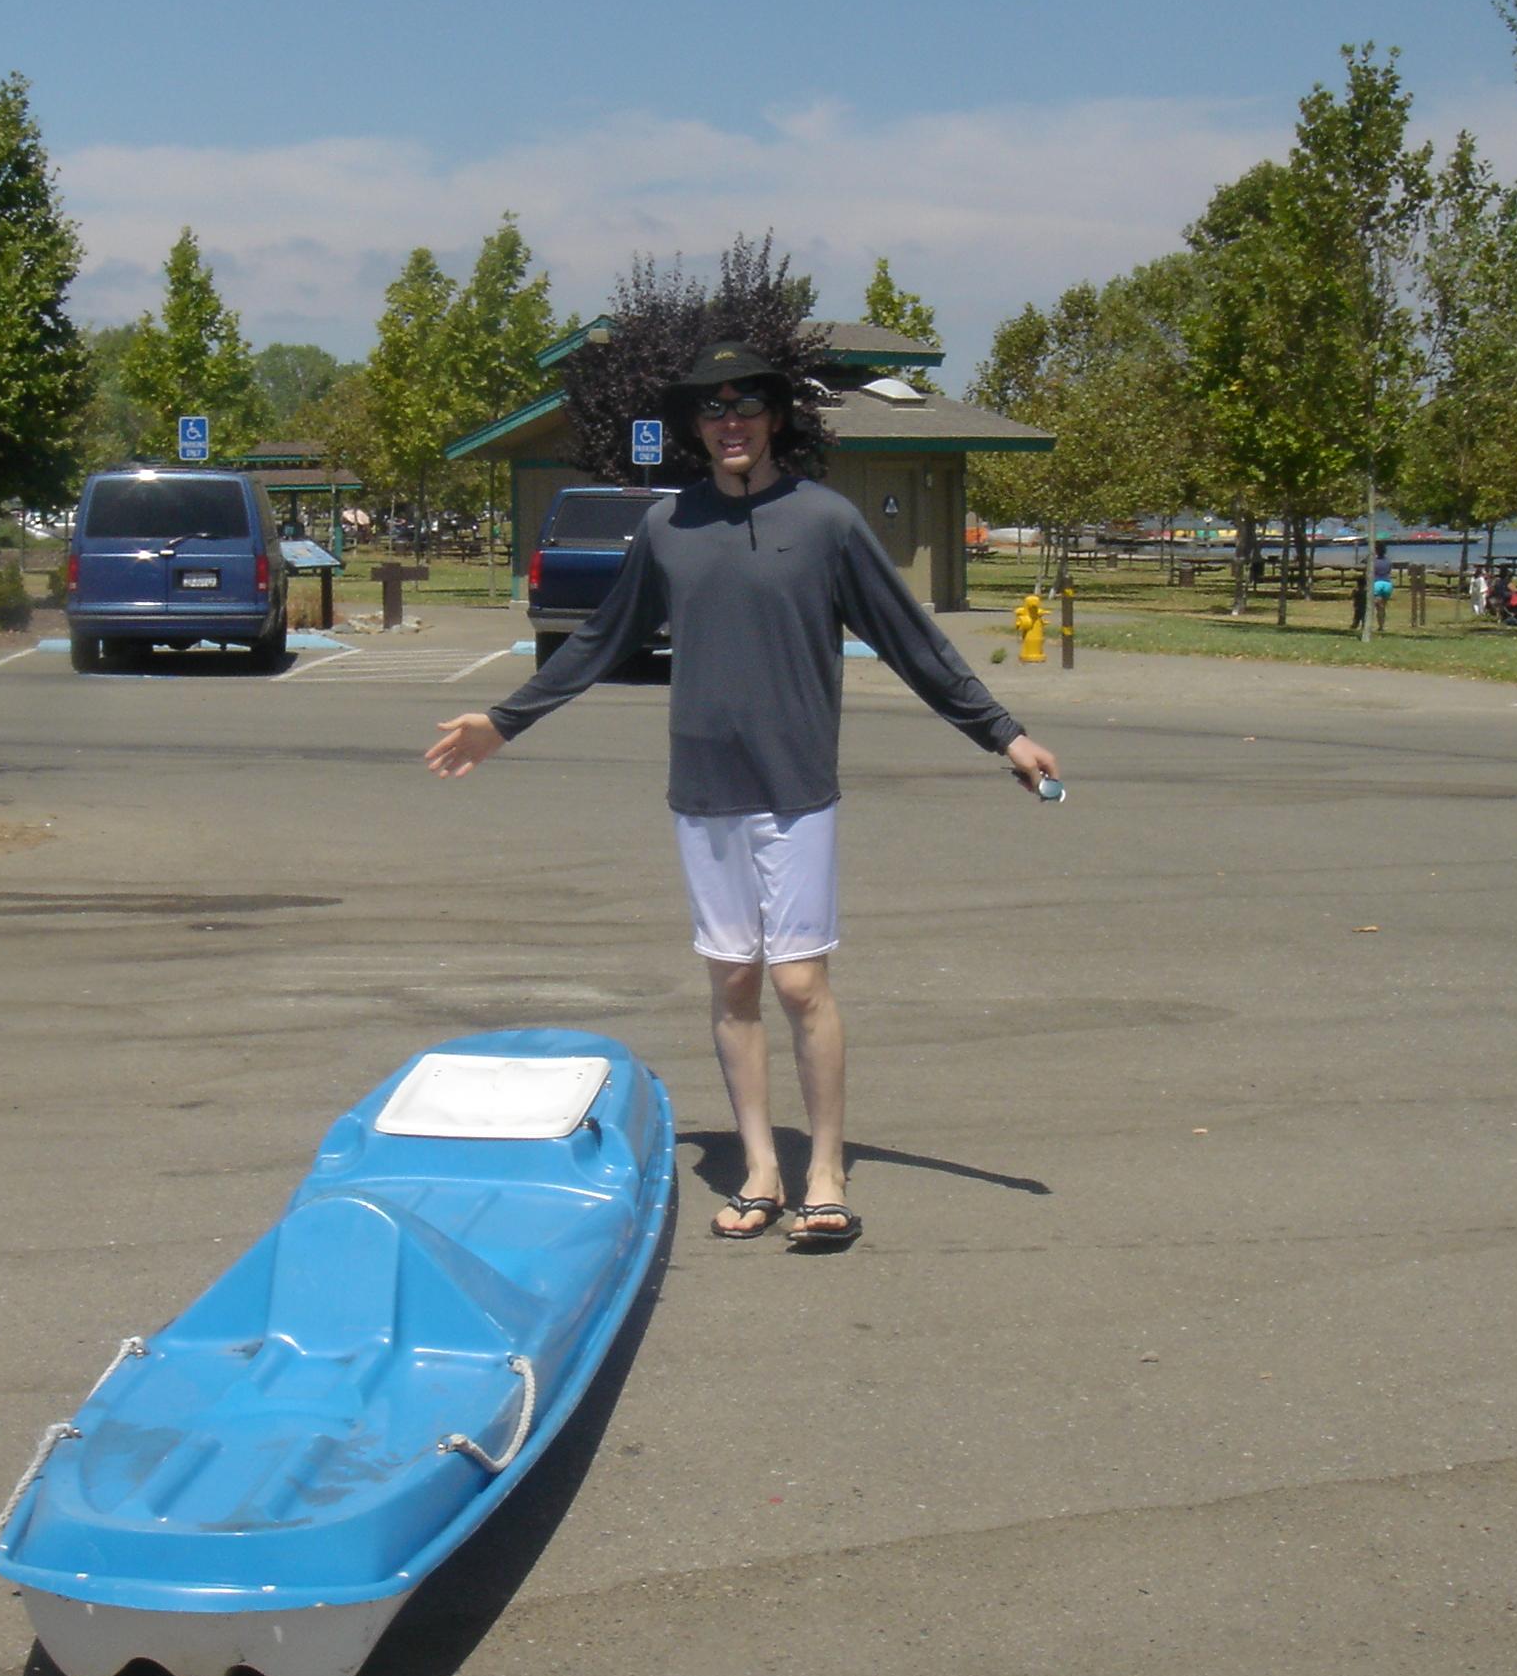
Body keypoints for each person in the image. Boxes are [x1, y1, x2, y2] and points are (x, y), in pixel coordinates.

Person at [424, 340, 1059, 1248]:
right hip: (705, 787)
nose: (730, 423)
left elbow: (914, 641)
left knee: (801, 982)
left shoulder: (827, 522)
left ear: (773, 420)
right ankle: (762, 1167)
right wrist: (506, 719)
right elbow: (603, 639)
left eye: (746, 407)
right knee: (732, 982)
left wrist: (1003, 731)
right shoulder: (668, 527)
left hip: (796, 785)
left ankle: (826, 1170)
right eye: (713, 410)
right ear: (697, 426)